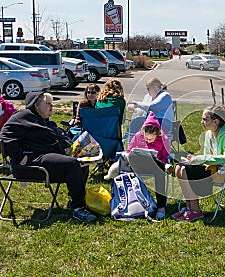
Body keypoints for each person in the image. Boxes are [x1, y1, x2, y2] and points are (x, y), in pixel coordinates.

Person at [0, 91, 96, 222]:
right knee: (72, 164)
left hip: (45, 158)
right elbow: (5, 134)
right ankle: (79, 209)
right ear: (37, 105)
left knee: (81, 162)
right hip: (30, 164)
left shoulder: (46, 122)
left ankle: (75, 201)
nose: (52, 106)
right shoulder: (24, 116)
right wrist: (19, 156)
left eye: (52, 103)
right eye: (48, 103)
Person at [171, 105, 225, 222]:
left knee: (186, 170)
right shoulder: (209, 134)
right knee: (179, 168)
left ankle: (195, 209)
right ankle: (189, 207)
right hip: (213, 168)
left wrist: (199, 159)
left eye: (205, 119)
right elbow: (208, 157)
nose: (201, 122)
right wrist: (194, 160)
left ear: (216, 121)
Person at [104, 112, 170, 219]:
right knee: (135, 156)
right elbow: (129, 151)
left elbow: (165, 157)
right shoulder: (138, 136)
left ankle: (161, 206)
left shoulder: (164, 139)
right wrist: (127, 154)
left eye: (151, 139)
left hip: (156, 167)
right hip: (138, 165)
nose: (148, 141)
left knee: (159, 172)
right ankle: (133, 202)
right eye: (146, 139)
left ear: (157, 134)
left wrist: (157, 159)